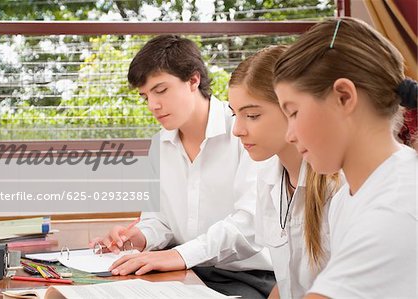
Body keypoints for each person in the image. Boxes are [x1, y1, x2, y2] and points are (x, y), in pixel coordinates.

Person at [90, 35, 275, 299]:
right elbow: (160, 220)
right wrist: (137, 237)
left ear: (193, 80)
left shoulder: (244, 132)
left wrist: (179, 255)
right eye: (145, 97)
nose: (153, 105)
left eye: (161, 90)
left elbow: (248, 225)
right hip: (181, 271)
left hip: (244, 277)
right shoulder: (160, 144)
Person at [273, 17, 417, 298]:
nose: (289, 135)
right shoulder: (346, 198)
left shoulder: (396, 208)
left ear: (343, 97)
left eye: (293, 112)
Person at [227, 46, 340, 299]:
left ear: (292, 108)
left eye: (252, 115)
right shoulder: (267, 177)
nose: (237, 130)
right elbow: (287, 282)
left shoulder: (339, 184)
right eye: (235, 115)